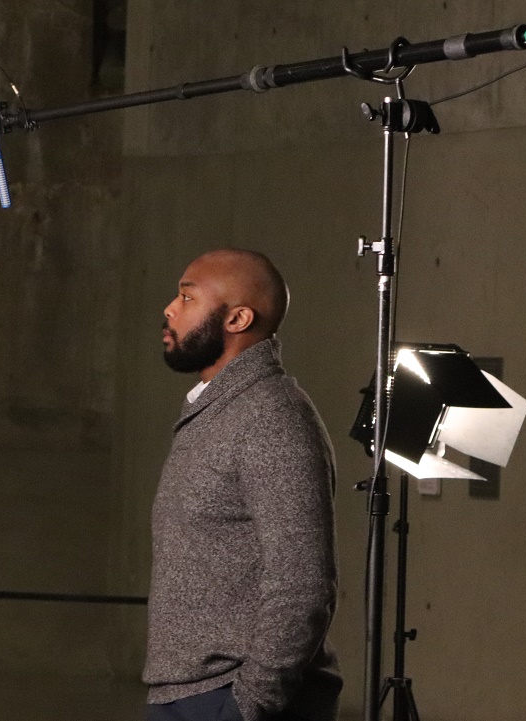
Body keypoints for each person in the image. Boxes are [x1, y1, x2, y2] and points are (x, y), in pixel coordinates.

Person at [144, 248, 341, 721]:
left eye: (187, 298)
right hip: (189, 695)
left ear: (237, 318)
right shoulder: (221, 410)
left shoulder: (271, 416)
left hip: (230, 699)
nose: (169, 309)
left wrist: (247, 706)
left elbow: (303, 585)